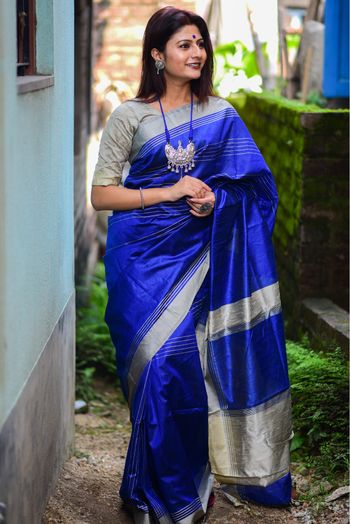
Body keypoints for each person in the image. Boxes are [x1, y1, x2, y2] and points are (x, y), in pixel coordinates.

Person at [91, 6, 293, 523]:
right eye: (185, 44)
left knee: (183, 373)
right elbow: (101, 194)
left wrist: (213, 202)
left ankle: (180, 491)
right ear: (158, 54)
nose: (197, 53)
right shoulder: (130, 116)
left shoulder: (222, 115)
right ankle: (144, 490)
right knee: (153, 370)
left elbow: (256, 188)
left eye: (200, 43)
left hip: (201, 258)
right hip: (140, 260)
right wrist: (171, 190)